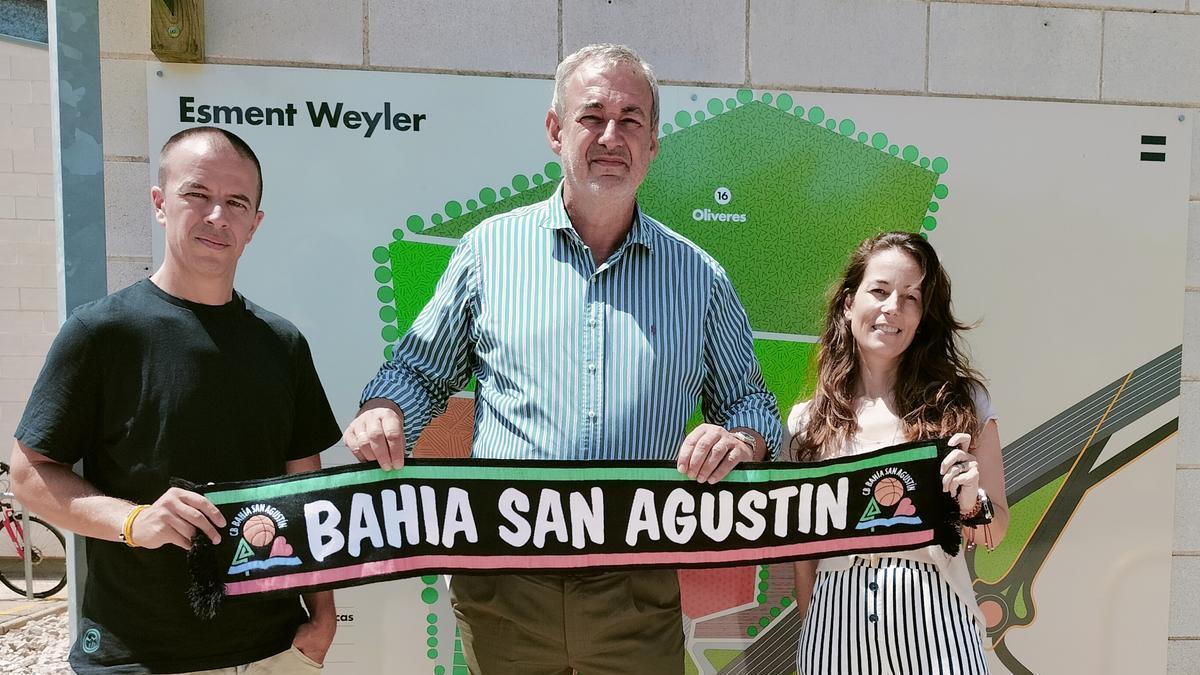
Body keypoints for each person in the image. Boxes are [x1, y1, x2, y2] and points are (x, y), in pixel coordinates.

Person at [343, 44, 781, 674]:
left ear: (653, 144)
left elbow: (751, 406)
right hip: (503, 588)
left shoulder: (700, 278)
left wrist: (741, 440)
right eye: (591, 116)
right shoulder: (487, 253)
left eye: (632, 120)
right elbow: (418, 371)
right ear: (555, 131)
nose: (611, 136)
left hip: (638, 588)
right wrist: (384, 411)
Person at [9, 127, 340, 674]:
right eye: (197, 194)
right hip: (139, 654)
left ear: (255, 225)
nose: (217, 216)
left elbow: (305, 489)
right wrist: (136, 521)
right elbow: (29, 476)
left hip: (273, 650)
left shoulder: (282, 344)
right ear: (160, 204)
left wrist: (323, 611)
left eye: (236, 202)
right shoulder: (102, 332)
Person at [786, 231, 1009, 674]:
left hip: (938, 628)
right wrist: (817, 624)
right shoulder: (805, 423)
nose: (893, 308)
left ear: (924, 316)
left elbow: (995, 529)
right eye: (880, 291)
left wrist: (971, 502)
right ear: (849, 303)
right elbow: (803, 554)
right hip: (835, 632)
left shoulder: (964, 403)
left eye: (911, 297)